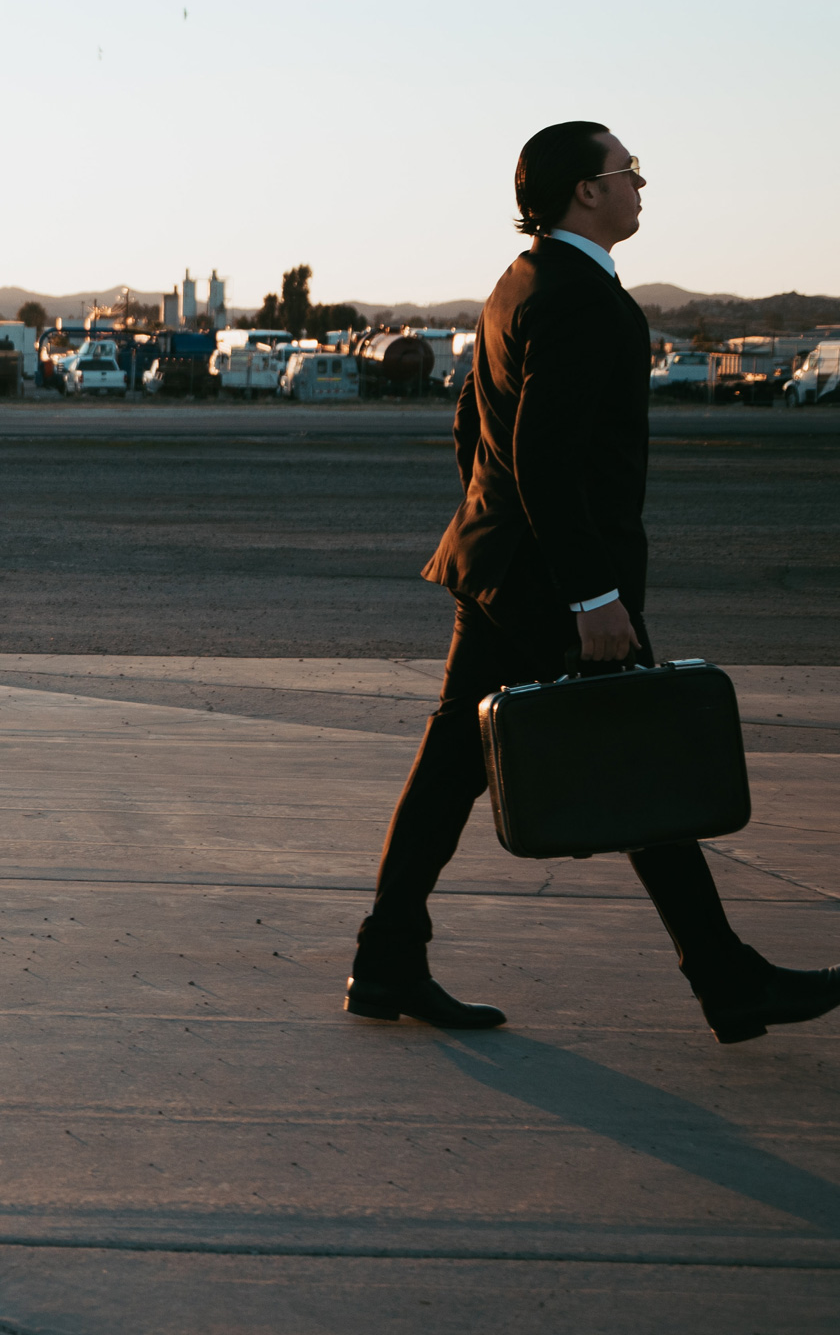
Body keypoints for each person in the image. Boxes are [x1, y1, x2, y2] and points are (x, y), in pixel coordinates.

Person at [349, 121, 840, 1045]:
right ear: (586, 190)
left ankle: (386, 960)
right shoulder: (583, 299)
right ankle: (728, 982)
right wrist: (589, 595)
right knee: (643, 762)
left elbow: (473, 429)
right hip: (554, 586)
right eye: (628, 171)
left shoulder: (518, 282)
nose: (641, 185)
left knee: (455, 767)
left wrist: (495, 527)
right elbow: (543, 457)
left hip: (500, 567)